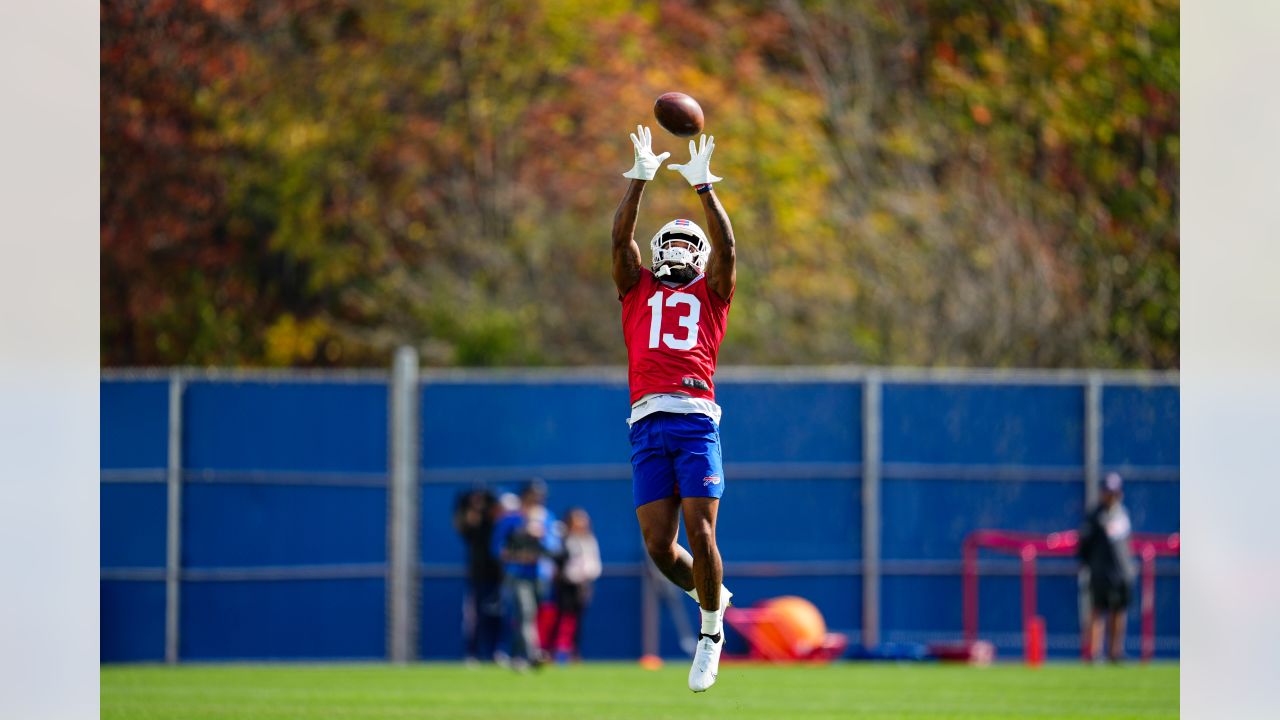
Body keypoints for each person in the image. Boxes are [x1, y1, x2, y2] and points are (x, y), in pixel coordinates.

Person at [612, 126, 736, 692]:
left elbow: (729, 249)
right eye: (673, 243)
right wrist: (639, 179)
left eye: (692, 244)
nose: (679, 251)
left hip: (692, 418)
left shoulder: (712, 294)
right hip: (645, 422)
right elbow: (619, 244)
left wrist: (705, 187)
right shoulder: (636, 289)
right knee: (660, 547)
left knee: (701, 532)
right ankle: (715, 595)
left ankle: (710, 633)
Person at [491, 479, 560, 670]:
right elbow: (497, 549)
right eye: (532, 495)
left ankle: (515, 655)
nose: (536, 500)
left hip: (539, 575)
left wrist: (541, 536)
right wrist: (518, 546)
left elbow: (554, 547)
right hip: (517, 573)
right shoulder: (510, 519)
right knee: (525, 612)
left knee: (527, 616)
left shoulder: (547, 518)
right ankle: (532, 656)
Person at [1077, 472, 1137, 663]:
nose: (1111, 496)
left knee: (1119, 612)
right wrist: (1089, 565)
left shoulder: (1123, 514)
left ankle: (1115, 652)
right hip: (1101, 573)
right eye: (1108, 492)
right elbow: (1084, 546)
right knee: (1097, 611)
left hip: (1121, 573)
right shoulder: (1095, 516)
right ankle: (1094, 653)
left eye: (1114, 492)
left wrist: (1128, 568)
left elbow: (1126, 544)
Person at [452, 487, 503, 665]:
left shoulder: (497, 525)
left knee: (497, 616)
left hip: (498, 577)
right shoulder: (473, 527)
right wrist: (471, 506)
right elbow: (463, 525)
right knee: (475, 616)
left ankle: (494, 651)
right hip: (478, 577)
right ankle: (472, 653)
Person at [546, 507, 603, 661]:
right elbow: (557, 561)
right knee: (561, 618)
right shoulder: (563, 539)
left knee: (577, 620)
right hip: (565, 584)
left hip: (582, 585)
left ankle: (573, 652)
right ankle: (554, 652)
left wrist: (587, 575)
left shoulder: (588, 539)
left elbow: (594, 563)